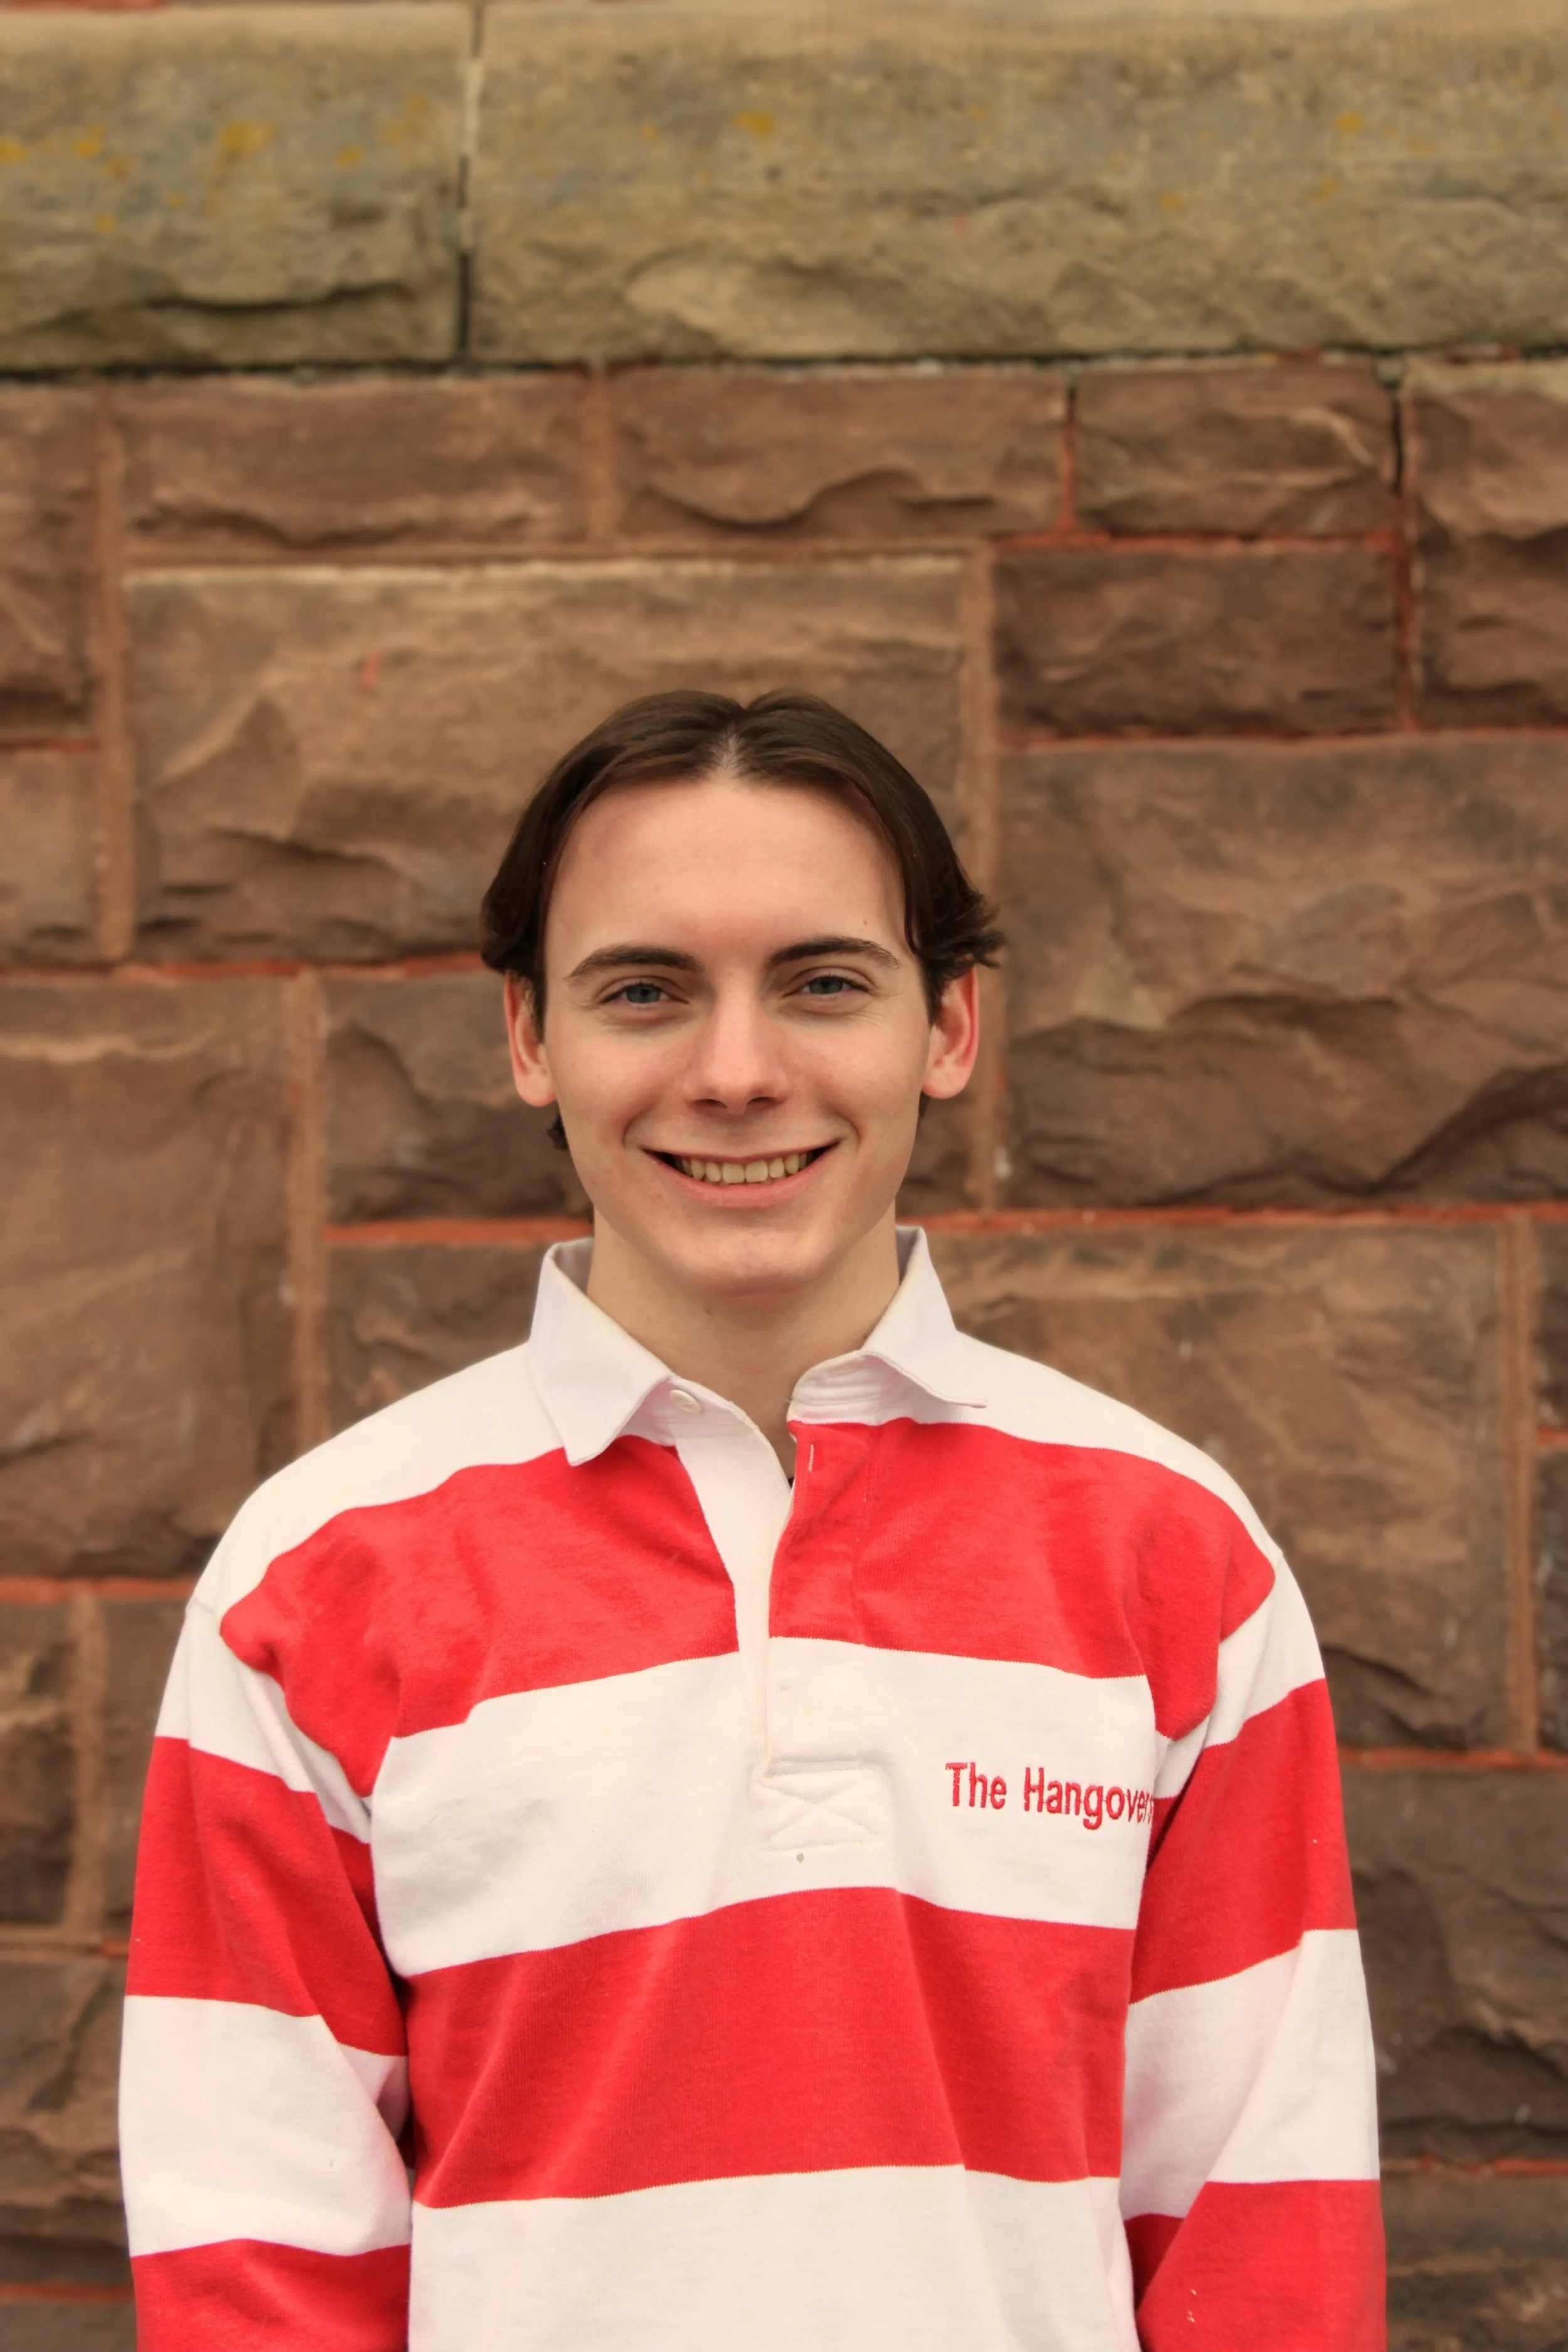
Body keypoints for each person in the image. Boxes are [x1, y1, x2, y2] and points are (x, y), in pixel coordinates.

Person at [120, 689, 1384, 2351]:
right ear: (530, 1038)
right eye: (644, 990)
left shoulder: (1175, 1559)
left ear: (948, 1027)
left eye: (822, 983)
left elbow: (1264, 2234)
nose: (735, 1073)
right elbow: (255, 2260)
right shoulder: (313, 1583)